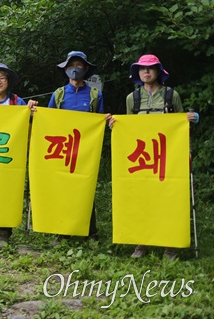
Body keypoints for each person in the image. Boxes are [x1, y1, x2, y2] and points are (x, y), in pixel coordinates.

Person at [115, 54, 199, 260]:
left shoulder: (172, 95)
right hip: (141, 161)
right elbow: (128, 128)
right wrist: (115, 125)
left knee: (168, 200)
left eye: (150, 68)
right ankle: (140, 244)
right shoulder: (131, 98)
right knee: (141, 200)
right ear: (137, 73)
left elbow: (181, 125)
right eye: (142, 69)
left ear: (158, 72)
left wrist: (192, 118)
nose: (146, 72)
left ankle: (170, 247)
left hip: (167, 158)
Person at [47, 51, 109, 243]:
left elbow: (100, 123)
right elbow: (48, 120)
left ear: (86, 69)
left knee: (86, 189)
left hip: (85, 151)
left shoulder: (94, 94)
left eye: (79, 65)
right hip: (63, 151)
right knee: (63, 189)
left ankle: (90, 232)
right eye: (72, 65)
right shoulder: (58, 94)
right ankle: (61, 231)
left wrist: (106, 120)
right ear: (66, 69)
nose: (75, 68)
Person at [0, 63, 38, 249]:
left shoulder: (18, 102)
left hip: (10, 155)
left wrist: (31, 111)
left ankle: (4, 232)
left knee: (9, 191)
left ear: (8, 81)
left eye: (2, 78)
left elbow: (27, 124)